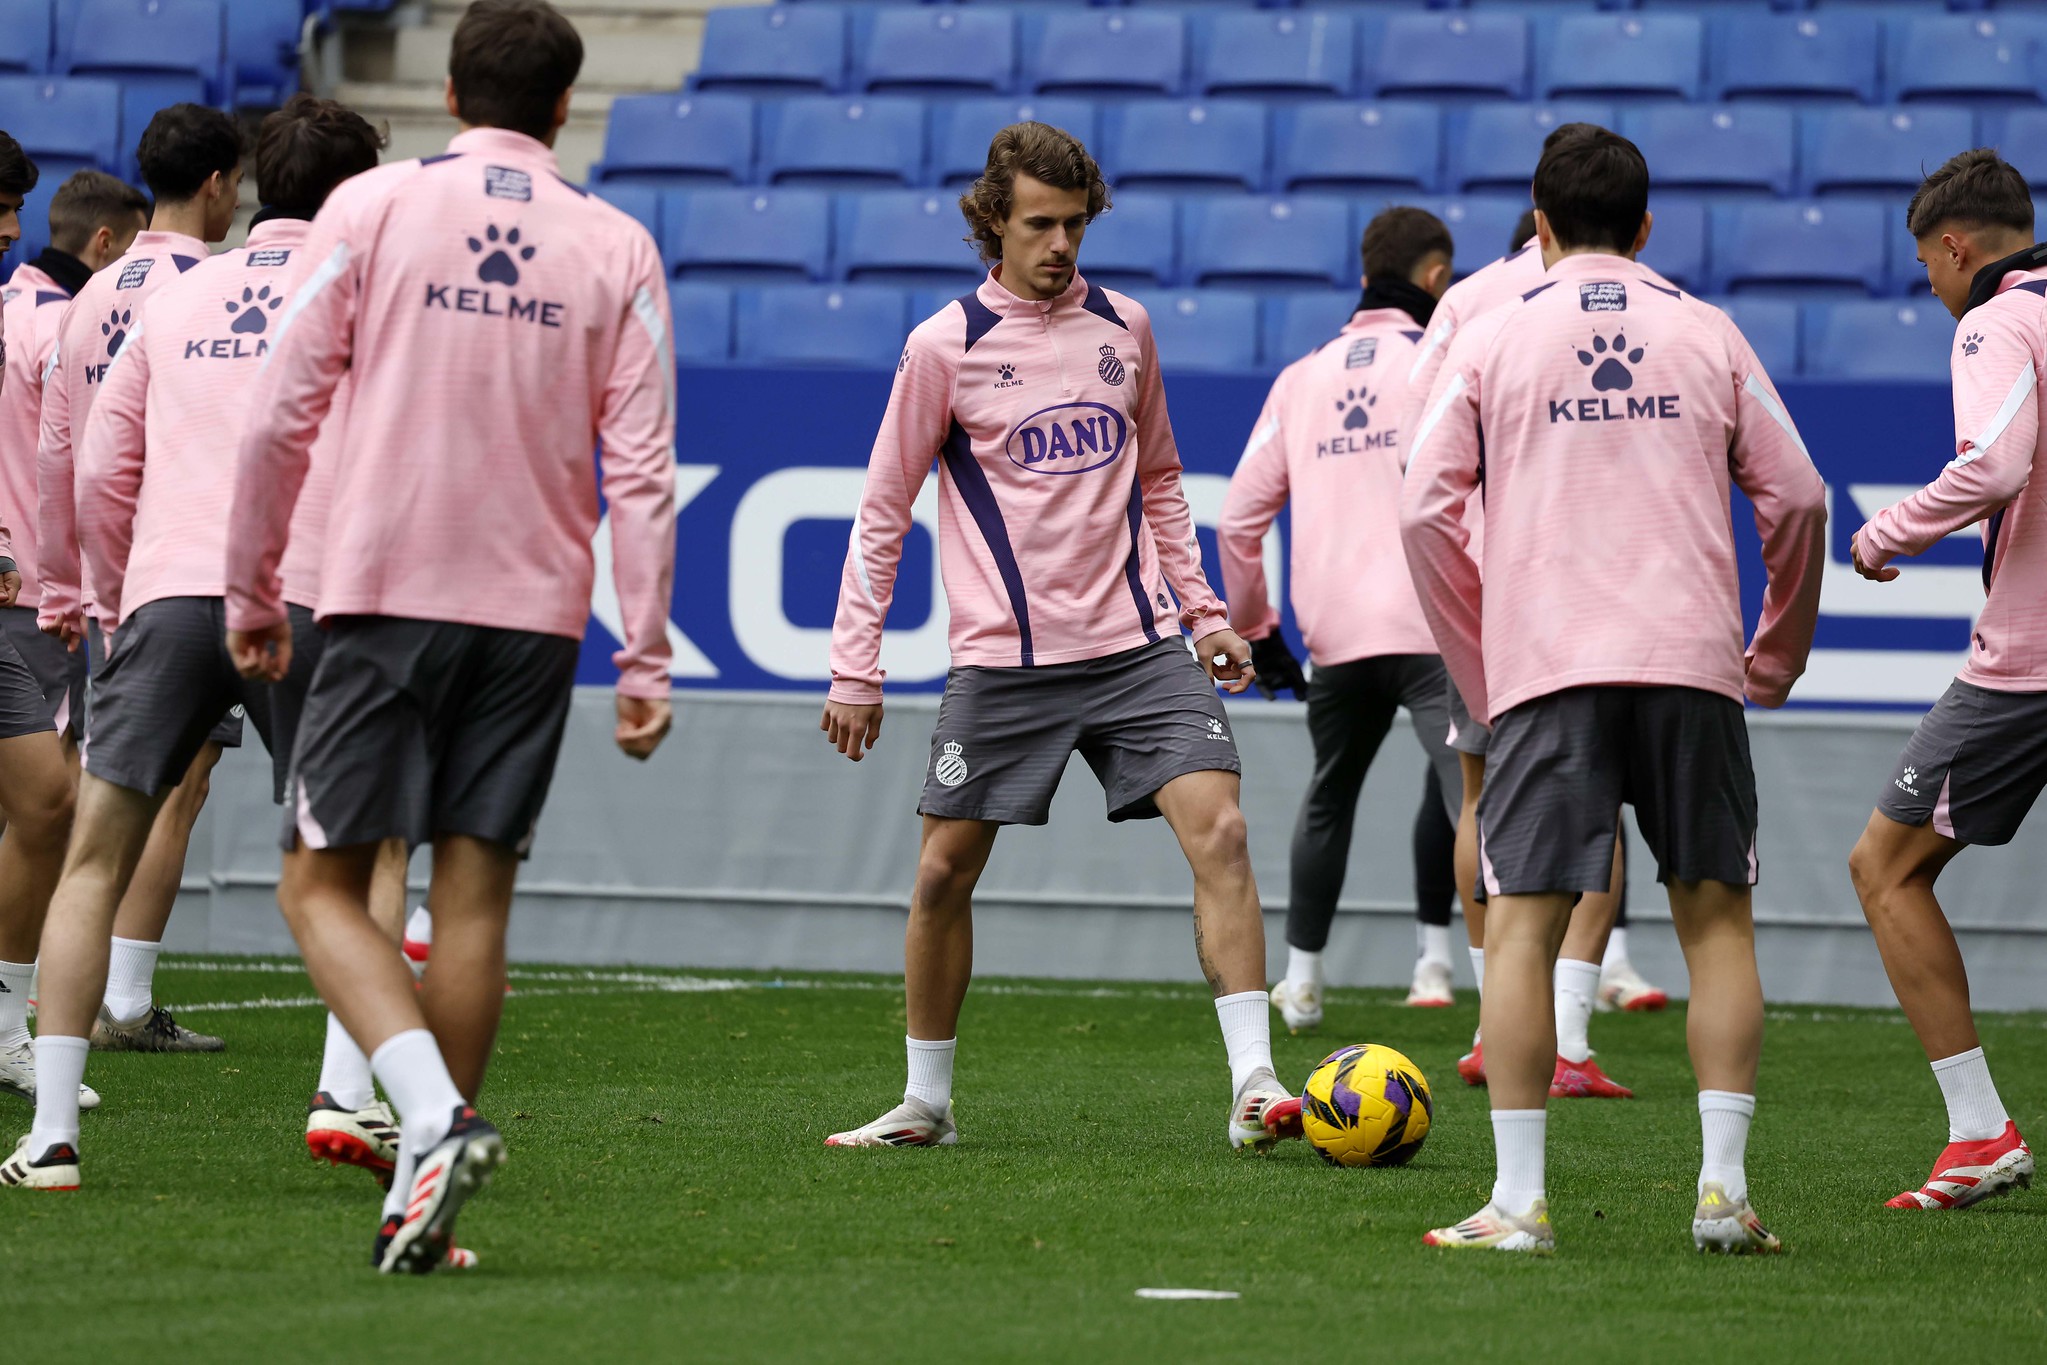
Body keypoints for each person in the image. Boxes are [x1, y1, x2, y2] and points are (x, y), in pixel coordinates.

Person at [222, 0, 676, 1273]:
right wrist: (644, 654)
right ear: (563, 108)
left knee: (318, 881)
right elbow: (638, 471)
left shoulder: (369, 211)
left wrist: (252, 586)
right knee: (474, 898)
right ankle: (425, 1204)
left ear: (454, 90)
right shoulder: (616, 242)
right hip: (533, 617)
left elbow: (278, 414)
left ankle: (429, 1114)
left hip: (380, 591)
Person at [820, 121, 1290, 1154]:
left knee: (1223, 832)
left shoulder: (1127, 327)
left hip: (1138, 651)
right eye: (1040, 224)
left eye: (1075, 224)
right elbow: (884, 505)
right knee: (944, 873)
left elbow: (1161, 479)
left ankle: (1255, 1082)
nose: (1062, 245)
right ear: (992, 220)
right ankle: (926, 1103)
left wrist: (1204, 613)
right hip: (1007, 663)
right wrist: (855, 663)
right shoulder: (943, 346)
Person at [1401, 123, 1827, 1253]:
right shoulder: (1705, 329)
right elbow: (1799, 499)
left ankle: (1518, 1205)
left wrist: (1476, 658)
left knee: (1523, 933)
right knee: (1715, 925)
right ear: (1645, 228)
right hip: (1693, 661)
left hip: (1547, 669)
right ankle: (1724, 1197)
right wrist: (1774, 650)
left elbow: (1419, 507)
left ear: (1537, 227)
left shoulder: (1493, 338)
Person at [0, 96, 379, 1193]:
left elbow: (96, 467)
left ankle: (54, 1138)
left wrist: (108, 597)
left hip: (164, 594)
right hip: (306, 597)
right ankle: (345, 1099)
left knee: (91, 856)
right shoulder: (365, 299)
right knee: (362, 852)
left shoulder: (175, 296)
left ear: (250, 184)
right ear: (356, 194)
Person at [1402, 167, 1644, 1100]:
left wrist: (1464, 591)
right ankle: (1571, 1038)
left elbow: (1416, 457)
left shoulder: (1470, 303)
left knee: (1478, 793)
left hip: (1502, 593)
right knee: (1605, 807)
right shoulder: (1659, 306)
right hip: (1620, 592)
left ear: (1539, 224)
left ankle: (1485, 1020)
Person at [1218, 205, 1471, 1025]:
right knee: (1473, 801)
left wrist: (1258, 633)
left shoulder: (1301, 377)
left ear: (1365, 275)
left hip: (1336, 637)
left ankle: (1301, 981)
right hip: (1436, 629)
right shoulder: (1443, 361)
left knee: (1328, 797)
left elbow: (1239, 519)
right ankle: (1490, 987)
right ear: (1435, 279)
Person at [1848, 147, 2041, 1211]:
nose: (1929, 287)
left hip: (2028, 662)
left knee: (1884, 866)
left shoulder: (1993, 321)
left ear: (1955, 246)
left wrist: (1889, 531)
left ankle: (1978, 1132)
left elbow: (1998, 462)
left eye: (1926, 266)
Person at [35, 104, 245, 1056]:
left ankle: (51, 1009)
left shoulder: (91, 291)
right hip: (187, 557)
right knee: (179, 782)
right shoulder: (221, 287)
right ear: (215, 185)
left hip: (100, 566)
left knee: (92, 800)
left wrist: (63, 580)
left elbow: (61, 448)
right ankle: (121, 997)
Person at [0, 139, 96, 1120]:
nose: (9, 228)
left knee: (40, 805)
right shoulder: (47, 320)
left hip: (21, 594)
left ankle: (2, 1034)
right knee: (44, 801)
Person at [1, 170, 149, 754]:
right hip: (39, 593)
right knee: (50, 807)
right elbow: (80, 459)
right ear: (105, 244)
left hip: (15, 574)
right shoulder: (75, 327)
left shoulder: (10, 306)